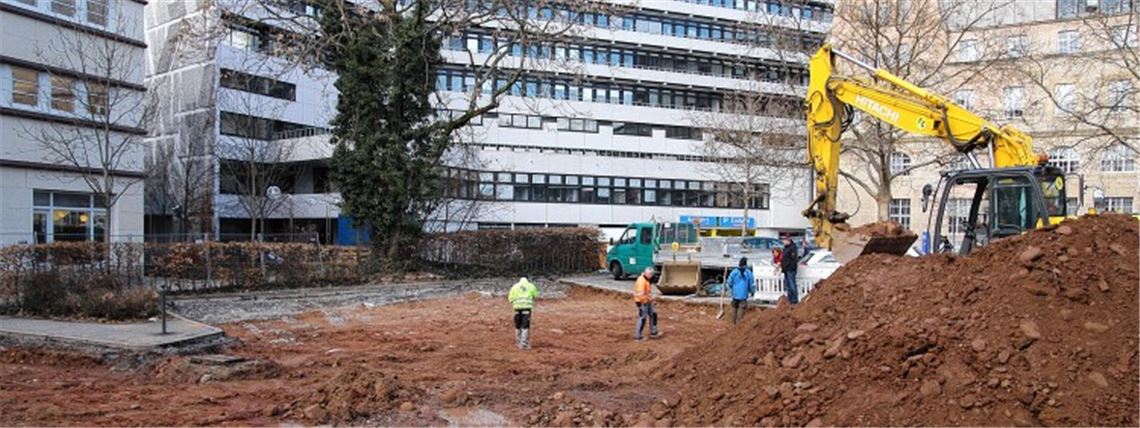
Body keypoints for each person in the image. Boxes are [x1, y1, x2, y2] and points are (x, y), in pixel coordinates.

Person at [508, 277, 539, 349]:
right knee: (525, 326)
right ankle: (524, 343)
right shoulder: (531, 286)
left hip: (517, 308)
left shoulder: (514, 287)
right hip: (526, 308)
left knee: (518, 325)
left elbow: (510, 299)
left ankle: (518, 342)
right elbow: (535, 295)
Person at [727, 257, 756, 325]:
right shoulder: (748, 272)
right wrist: (752, 291)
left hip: (735, 294)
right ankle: (739, 323)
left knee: (734, 307)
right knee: (741, 308)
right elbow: (751, 284)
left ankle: (733, 323)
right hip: (743, 294)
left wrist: (732, 288)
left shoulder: (734, 272)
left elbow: (729, 282)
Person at [633, 267, 659, 341]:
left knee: (653, 314)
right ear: (648, 274)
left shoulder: (646, 280)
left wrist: (650, 299)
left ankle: (653, 331)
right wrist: (648, 300)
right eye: (651, 275)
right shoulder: (642, 281)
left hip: (647, 301)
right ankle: (638, 336)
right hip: (642, 302)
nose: (652, 277)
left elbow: (647, 292)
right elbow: (641, 295)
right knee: (643, 318)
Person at [780, 237, 800, 304]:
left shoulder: (793, 248)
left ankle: (794, 300)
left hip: (790, 269)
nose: (783, 242)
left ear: (788, 241)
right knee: (788, 285)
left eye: (784, 240)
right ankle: (790, 299)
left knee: (792, 285)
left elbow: (794, 259)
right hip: (786, 269)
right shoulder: (785, 248)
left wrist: (790, 266)